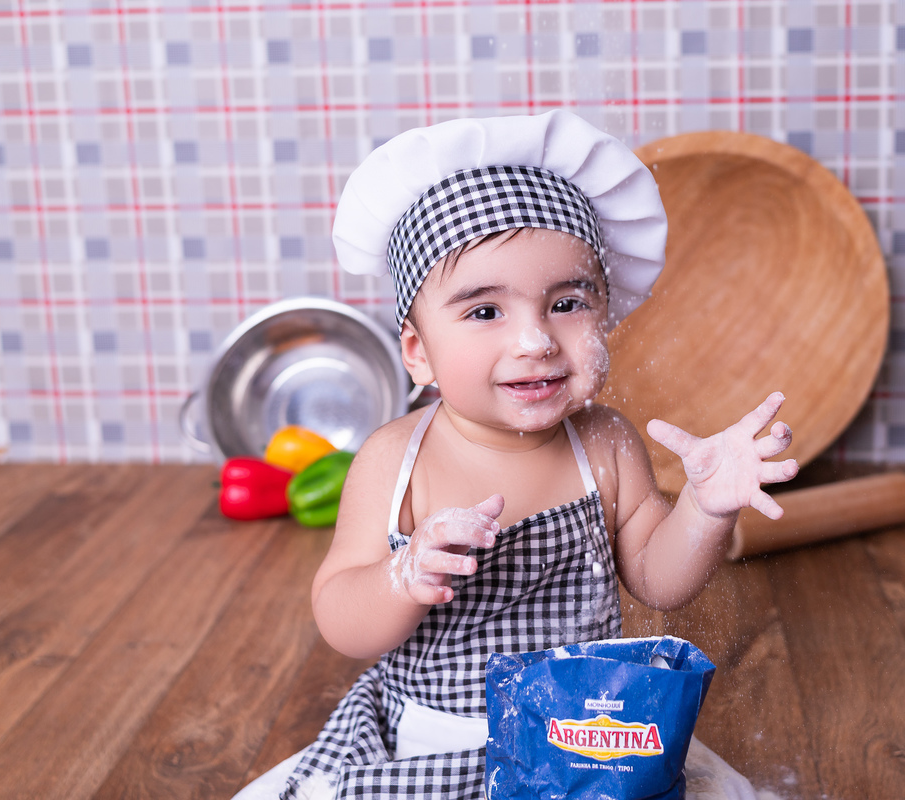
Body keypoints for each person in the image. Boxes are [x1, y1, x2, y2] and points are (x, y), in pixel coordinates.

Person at [236, 110, 797, 800]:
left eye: (567, 303)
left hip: (586, 741)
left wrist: (705, 510)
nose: (536, 341)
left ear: (605, 314)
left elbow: (660, 581)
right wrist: (403, 578)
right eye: (485, 312)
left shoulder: (605, 443)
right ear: (417, 351)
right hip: (439, 743)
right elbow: (341, 618)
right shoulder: (394, 459)